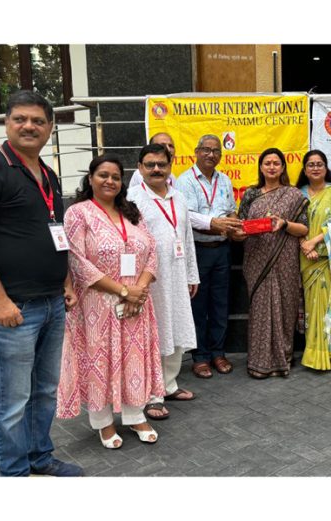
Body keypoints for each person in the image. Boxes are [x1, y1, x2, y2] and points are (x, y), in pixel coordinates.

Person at [0, 90, 83, 476]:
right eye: (20, 119)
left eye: (38, 121)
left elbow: (53, 231)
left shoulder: (48, 173)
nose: (29, 126)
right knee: (12, 398)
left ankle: (39, 458)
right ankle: (14, 474)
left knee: (44, 392)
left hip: (50, 303)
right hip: (12, 308)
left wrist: (64, 281)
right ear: (7, 123)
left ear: (50, 128)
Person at [57, 154, 165, 448]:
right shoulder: (78, 213)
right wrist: (122, 291)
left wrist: (138, 290)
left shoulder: (132, 213)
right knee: (98, 361)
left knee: (133, 359)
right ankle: (103, 423)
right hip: (97, 305)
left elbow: (152, 252)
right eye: (103, 175)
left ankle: (135, 415)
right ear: (90, 178)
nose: (110, 181)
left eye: (116, 177)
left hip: (136, 304)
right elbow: (77, 261)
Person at [127, 144, 199, 421]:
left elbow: (187, 239)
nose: (156, 169)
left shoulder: (178, 197)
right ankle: (152, 395)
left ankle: (169, 385)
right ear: (140, 167)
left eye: (161, 164)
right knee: (154, 335)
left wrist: (192, 275)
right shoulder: (131, 199)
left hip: (178, 274)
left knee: (177, 329)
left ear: (171, 165)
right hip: (149, 279)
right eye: (150, 164)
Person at [237, 148, 309, 378]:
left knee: (285, 307)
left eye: (276, 163)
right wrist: (241, 232)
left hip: (285, 259)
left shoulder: (294, 195)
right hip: (256, 258)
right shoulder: (250, 194)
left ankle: (282, 358)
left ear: (283, 167)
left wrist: (284, 224)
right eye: (267, 163)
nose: (271, 167)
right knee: (259, 308)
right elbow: (240, 224)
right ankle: (258, 362)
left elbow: (304, 229)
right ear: (260, 167)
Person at [176, 135, 243, 378]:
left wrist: (234, 225)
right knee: (198, 305)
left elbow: (231, 209)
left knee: (220, 304)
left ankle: (218, 352)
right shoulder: (184, 181)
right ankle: (200, 356)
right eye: (206, 149)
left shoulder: (224, 180)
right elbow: (189, 217)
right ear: (196, 151)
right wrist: (216, 224)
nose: (211, 154)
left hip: (222, 250)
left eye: (216, 151)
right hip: (198, 251)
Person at [295, 150, 331, 370]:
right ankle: (313, 353)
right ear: (305, 170)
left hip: (328, 258)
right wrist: (305, 246)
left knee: (329, 306)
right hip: (306, 258)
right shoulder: (297, 194)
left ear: (326, 168)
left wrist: (314, 242)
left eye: (319, 164)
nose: (315, 168)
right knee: (311, 307)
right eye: (311, 164)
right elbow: (292, 224)